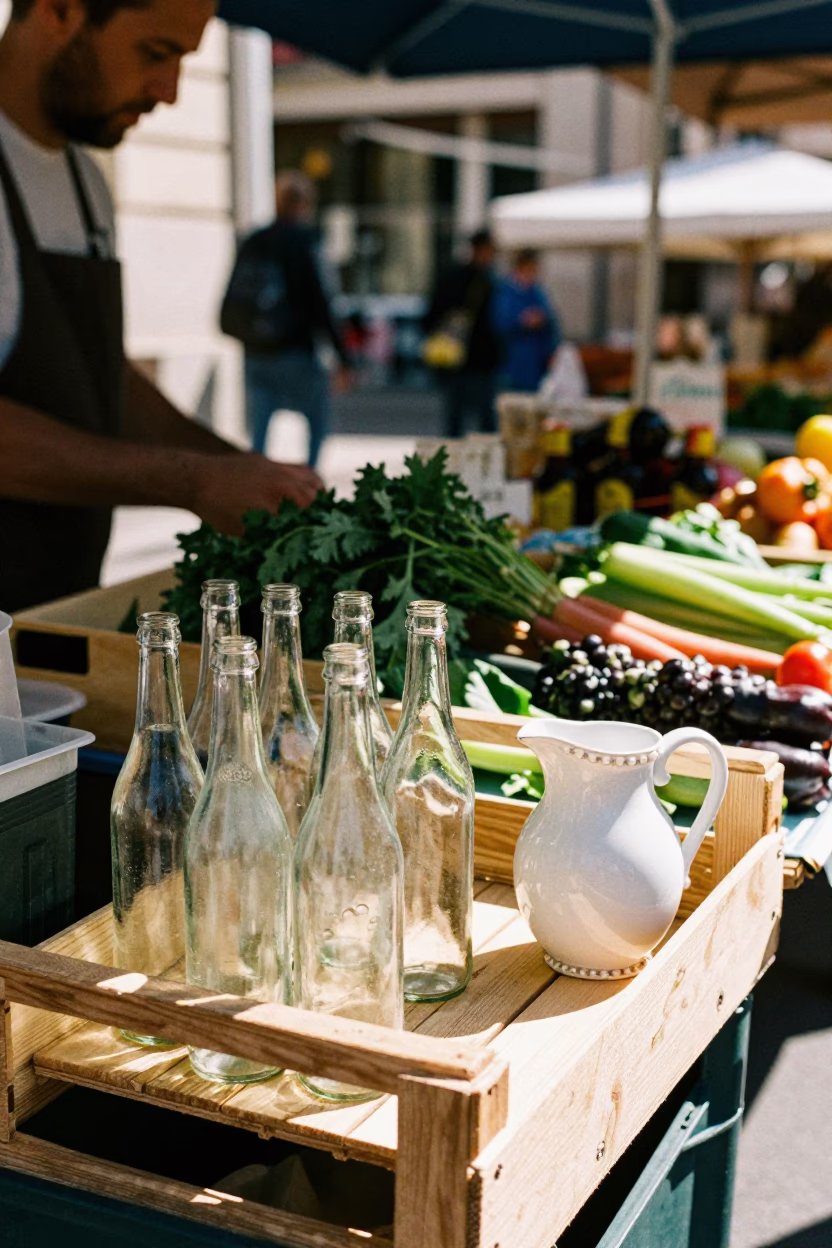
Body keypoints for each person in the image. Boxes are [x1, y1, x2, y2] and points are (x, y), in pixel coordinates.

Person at [0, 0, 322, 614]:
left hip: (50, 620)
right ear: (59, 11)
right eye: (155, 53)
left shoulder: (85, 180)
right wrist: (192, 481)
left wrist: (245, 472)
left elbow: (100, 378)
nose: (169, 91)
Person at [224, 170, 351, 468]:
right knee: (317, 417)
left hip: (256, 350)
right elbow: (322, 301)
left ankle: (254, 483)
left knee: (260, 427)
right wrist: (343, 356)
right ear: (304, 204)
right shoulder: (305, 242)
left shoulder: (255, 240)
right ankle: (310, 481)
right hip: (296, 350)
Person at [423, 228, 501, 438]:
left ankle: (451, 465)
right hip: (479, 360)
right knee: (485, 421)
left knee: (455, 420)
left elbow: (430, 316)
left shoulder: (451, 277)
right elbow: (496, 324)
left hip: (453, 357)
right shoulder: (488, 281)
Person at [494, 249, 562, 393]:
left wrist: (552, 350)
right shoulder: (504, 292)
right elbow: (498, 324)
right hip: (510, 365)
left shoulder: (537, 292)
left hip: (535, 366)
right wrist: (522, 322)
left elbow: (552, 322)